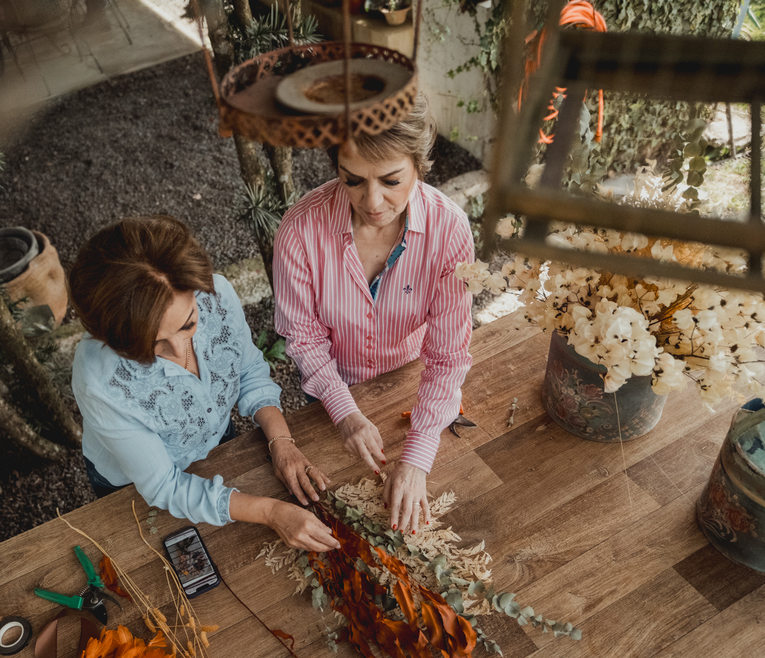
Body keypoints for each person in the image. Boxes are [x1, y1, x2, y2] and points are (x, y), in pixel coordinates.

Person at [69, 215, 338, 552]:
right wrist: (270, 511)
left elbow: (249, 370)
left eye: (188, 325)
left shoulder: (217, 294)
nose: (178, 350)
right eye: (149, 347)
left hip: (217, 441)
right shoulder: (99, 378)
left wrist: (281, 441)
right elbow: (164, 486)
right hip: (132, 485)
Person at [273, 94, 474, 538]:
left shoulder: (450, 230)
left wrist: (419, 456)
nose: (373, 201)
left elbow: (447, 356)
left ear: (420, 165)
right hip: (329, 391)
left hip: (408, 382)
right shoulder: (299, 232)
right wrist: (343, 411)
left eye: (391, 180)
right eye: (353, 180)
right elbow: (303, 338)